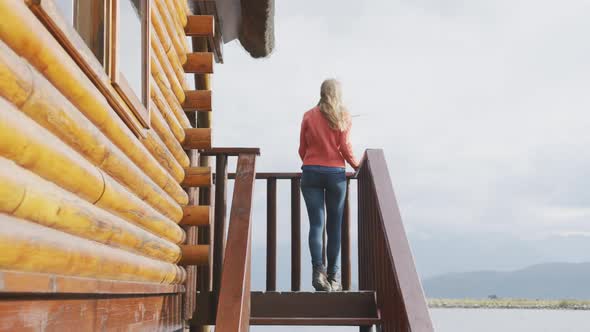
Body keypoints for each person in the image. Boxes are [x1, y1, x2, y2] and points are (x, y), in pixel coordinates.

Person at [298, 79, 360, 292]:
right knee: (335, 227)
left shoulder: (308, 115)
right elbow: (345, 147)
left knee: (317, 225)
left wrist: (311, 160)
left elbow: (301, 148)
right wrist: (356, 165)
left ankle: (318, 273)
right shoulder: (343, 115)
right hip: (336, 176)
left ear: (322, 92)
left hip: (311, 172)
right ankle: (334, 277)